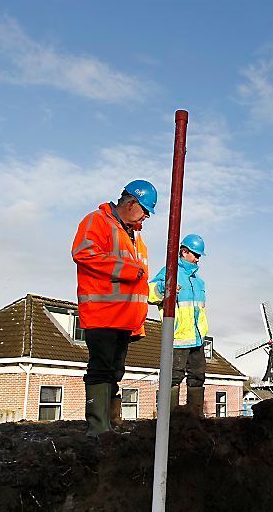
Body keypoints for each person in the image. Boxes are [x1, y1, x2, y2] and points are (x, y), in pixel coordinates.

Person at [71, 180, 155, 438]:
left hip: (123, 318)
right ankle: (97, 427)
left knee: (115, 371)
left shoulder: (134, 236)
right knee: (101, 369)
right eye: (146, 211)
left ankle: (111, 422)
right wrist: (129, 270)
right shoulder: (97, 221)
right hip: (102, 314)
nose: (146, 218)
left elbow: (140, 283)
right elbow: (83, 253)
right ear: (131, 204)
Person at [148, 234, 208, 416]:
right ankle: (170, 419)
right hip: (178, 338)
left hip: (197, 340)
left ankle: (195, 418)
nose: (198, 259)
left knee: (197, 377)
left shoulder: (199, 281)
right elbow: (149, 293)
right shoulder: (170, 272)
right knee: (173, 379)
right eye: (196, 255)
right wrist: (164, 289)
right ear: (184, 251)